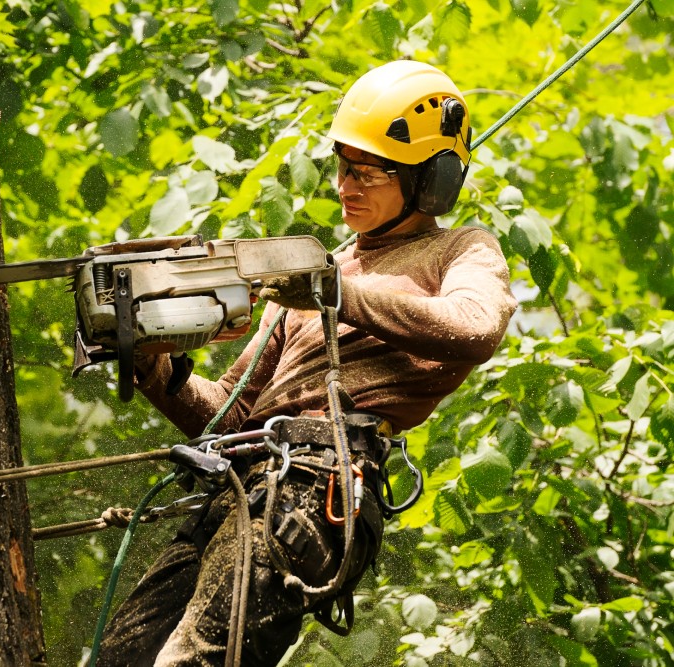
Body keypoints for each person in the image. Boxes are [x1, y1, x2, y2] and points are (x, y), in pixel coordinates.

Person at [95, 60, 517, 666]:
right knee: (119, 657)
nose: (346, 186)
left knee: (192, 662)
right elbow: (232, 412)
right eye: (343, 168)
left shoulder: (459, 250)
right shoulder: (321, 267)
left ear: (431, 181)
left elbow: (474, 326)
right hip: (242, 483)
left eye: (368, 173)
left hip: (317, 480)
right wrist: (154, 367)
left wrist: (333, 294)